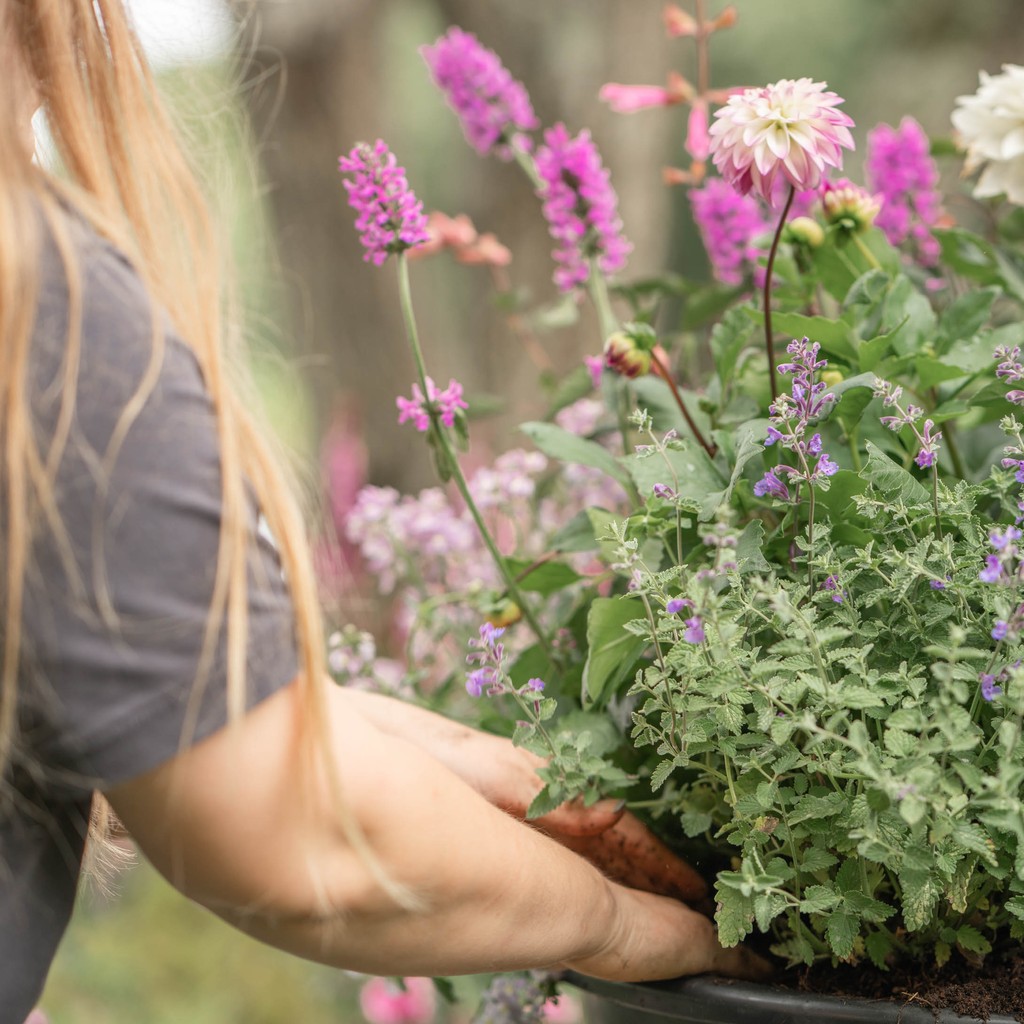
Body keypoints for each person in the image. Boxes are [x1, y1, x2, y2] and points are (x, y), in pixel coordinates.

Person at [0, 3, 769, 1023]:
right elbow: (301, 835)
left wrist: (468, 756)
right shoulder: (37, 298)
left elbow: (180, 696)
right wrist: (629, 929)